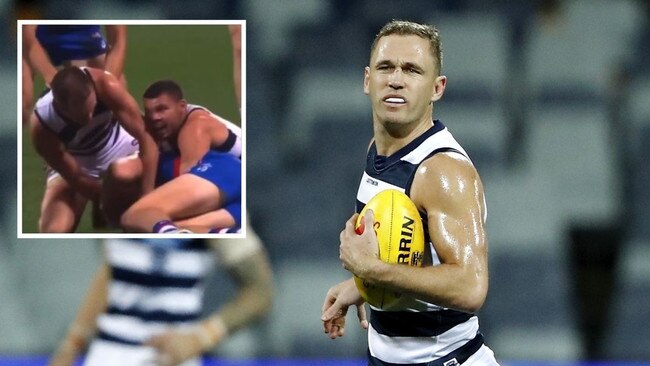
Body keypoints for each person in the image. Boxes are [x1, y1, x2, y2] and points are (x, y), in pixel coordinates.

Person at [321, 20, 499, 365]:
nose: (396, 79)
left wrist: (371, 272)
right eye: (386, 67)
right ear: (367, 80)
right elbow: (411, 252)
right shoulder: (378, 148)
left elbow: (470, 285)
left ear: (437, 88)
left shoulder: (442, 171)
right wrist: (361, 288)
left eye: (412, 70)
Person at [48, 236, 274, 366]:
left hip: (170, 358)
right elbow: (113, 270)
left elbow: (260, 292)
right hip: (108, 355)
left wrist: (200, 338)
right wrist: (71, 345)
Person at [29, 66, 159, 233]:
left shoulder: (106, 85)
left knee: (123, 176)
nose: (89, 118)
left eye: (91, 108)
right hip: (75, 160)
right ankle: (105, 212)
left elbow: (146, 138)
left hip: (118, 144)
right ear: (59, 107)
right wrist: (105, 199)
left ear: (92, 91)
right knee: (54, 231)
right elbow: (76, 177)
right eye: (79, 115)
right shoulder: (42, 126)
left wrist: (147, 200)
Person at [114, 80, 242, 233]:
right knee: (178, 227)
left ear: (182, 106)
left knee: (139, 217)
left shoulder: (195, 128)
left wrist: (149, 204)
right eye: (150, 112)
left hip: (226, 176)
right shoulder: (166, 124)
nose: (155, 117)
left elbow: (187, 185)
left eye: (162, 109)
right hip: (236, 195)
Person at [22, 25, 127, 125]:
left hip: (85, 36)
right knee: (22, 107)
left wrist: (106, 85)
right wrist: (53, 78)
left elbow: (118, 38)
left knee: (117, 96)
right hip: (38, 38)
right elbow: (28, 36)